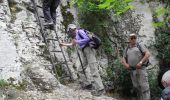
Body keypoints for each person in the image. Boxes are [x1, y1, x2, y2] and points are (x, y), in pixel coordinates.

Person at [60, 24, 105, 96]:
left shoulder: (80, 31)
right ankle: (88, 85)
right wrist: (64, 44)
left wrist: (77, 42)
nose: (70, 33)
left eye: (70, 31)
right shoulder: (75, 36)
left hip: (89, 50)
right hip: (84, 52)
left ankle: (100, 89)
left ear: (73, 29)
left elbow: (87, 39)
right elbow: (72, 44)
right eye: (70, 32)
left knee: (93, 70)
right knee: (80, 69)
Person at [121, 33, 151, 100]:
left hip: (141, 69)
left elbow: (148, 54)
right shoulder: (127, 48)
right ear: (129, 39)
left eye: (135, 38)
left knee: (144, 87)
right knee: (137, 87)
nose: (133, 39)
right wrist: (125, 64)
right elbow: (123, 58)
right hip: (132, 70)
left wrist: (140, 62)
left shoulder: (140, 45)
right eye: (132, 38)